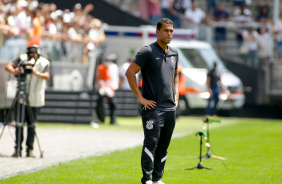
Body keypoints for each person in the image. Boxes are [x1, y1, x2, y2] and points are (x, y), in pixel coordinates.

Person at [126, 18, 179, 184]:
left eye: (171, 31)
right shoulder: (147, 51)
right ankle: (146, 179)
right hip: (153, 109)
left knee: (163, 146)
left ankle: (157, 179)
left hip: (170, 108)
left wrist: (176, 95)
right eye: (166, 30)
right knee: (151, 143)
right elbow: (130, 72)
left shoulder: (174, 53)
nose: (169, 33)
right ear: (157, 31)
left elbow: (176, 75)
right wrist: (140, 98)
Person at [4, 45, 50, 157]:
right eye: (30, 55)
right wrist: (16, 70)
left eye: (33, 55)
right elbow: (8, 67)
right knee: (19, 124)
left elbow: (47, 76)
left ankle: (30, 149)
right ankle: (17, 149)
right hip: (22, 97)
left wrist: (35, 73)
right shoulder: (22, 58)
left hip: (35, 99)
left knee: (31, 125)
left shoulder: (44, 62)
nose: (31, 57)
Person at [95, 53, 119, 125]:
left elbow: (111, 79)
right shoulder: (101, 67)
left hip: (108, 88)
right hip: (103, 87)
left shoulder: (112, 67)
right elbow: (98, 77)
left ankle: (112, 120)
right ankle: (101, 119)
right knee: (101, 104)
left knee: (113, 105)